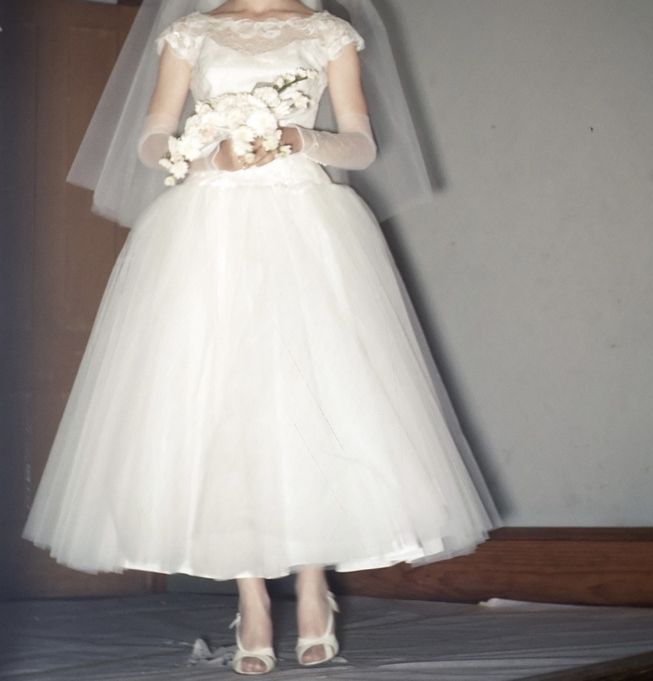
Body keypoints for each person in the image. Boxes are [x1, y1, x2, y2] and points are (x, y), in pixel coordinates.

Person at [21, 0, 503, 675]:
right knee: (225, 404)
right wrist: (205, 149)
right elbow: (152, 138)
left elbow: (360, 143)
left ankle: (312, 586)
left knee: (309, 395)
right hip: (207, 227)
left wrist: (299, 141)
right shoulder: (191, 31)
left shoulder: (326, 31)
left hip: (303, 221)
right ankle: (249, 596)